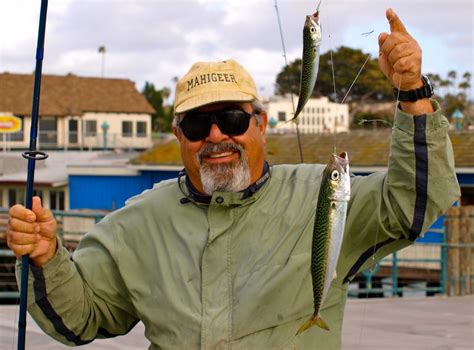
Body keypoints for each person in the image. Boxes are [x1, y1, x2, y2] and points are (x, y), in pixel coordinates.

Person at [7, 8, 459, 350]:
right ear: (179, 135)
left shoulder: (322, 192)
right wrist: (47, 261)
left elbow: (411, 207)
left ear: (260, 125)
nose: (217, 135)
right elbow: (79, 320)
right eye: (199, 125)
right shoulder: (135, 223)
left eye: (231, 118)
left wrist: (414, 95)